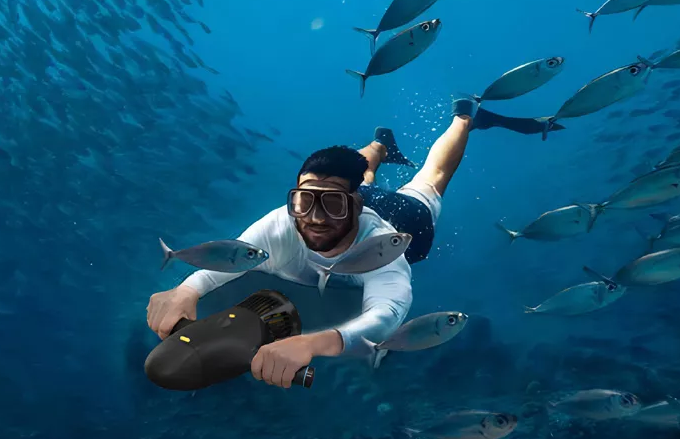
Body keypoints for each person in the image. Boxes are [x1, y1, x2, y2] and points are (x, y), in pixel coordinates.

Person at [147, 99, 497, 388]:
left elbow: (386, 315)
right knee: (361, 173)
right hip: (358, 195)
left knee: (430, 179)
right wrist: (186, 291)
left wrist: (312, 343)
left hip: (403, 216)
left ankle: (464, 117)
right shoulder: (281, 223)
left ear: (355, 206)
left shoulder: (383, 249)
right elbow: (232, 256)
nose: (314, 217)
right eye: (303, 201)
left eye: (330, 205)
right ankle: (379, 147)